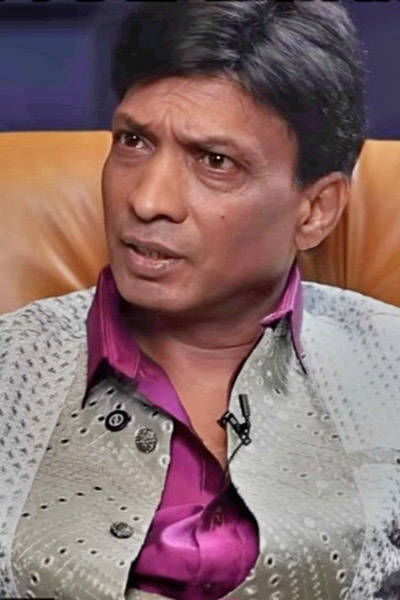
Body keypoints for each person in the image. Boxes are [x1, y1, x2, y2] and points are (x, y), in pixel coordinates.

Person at [1, 1, 400, 599]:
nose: (148, 200)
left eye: (216, 161)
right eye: (134, 141)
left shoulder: (388, 367)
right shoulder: (12, 364)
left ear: (315, 210)